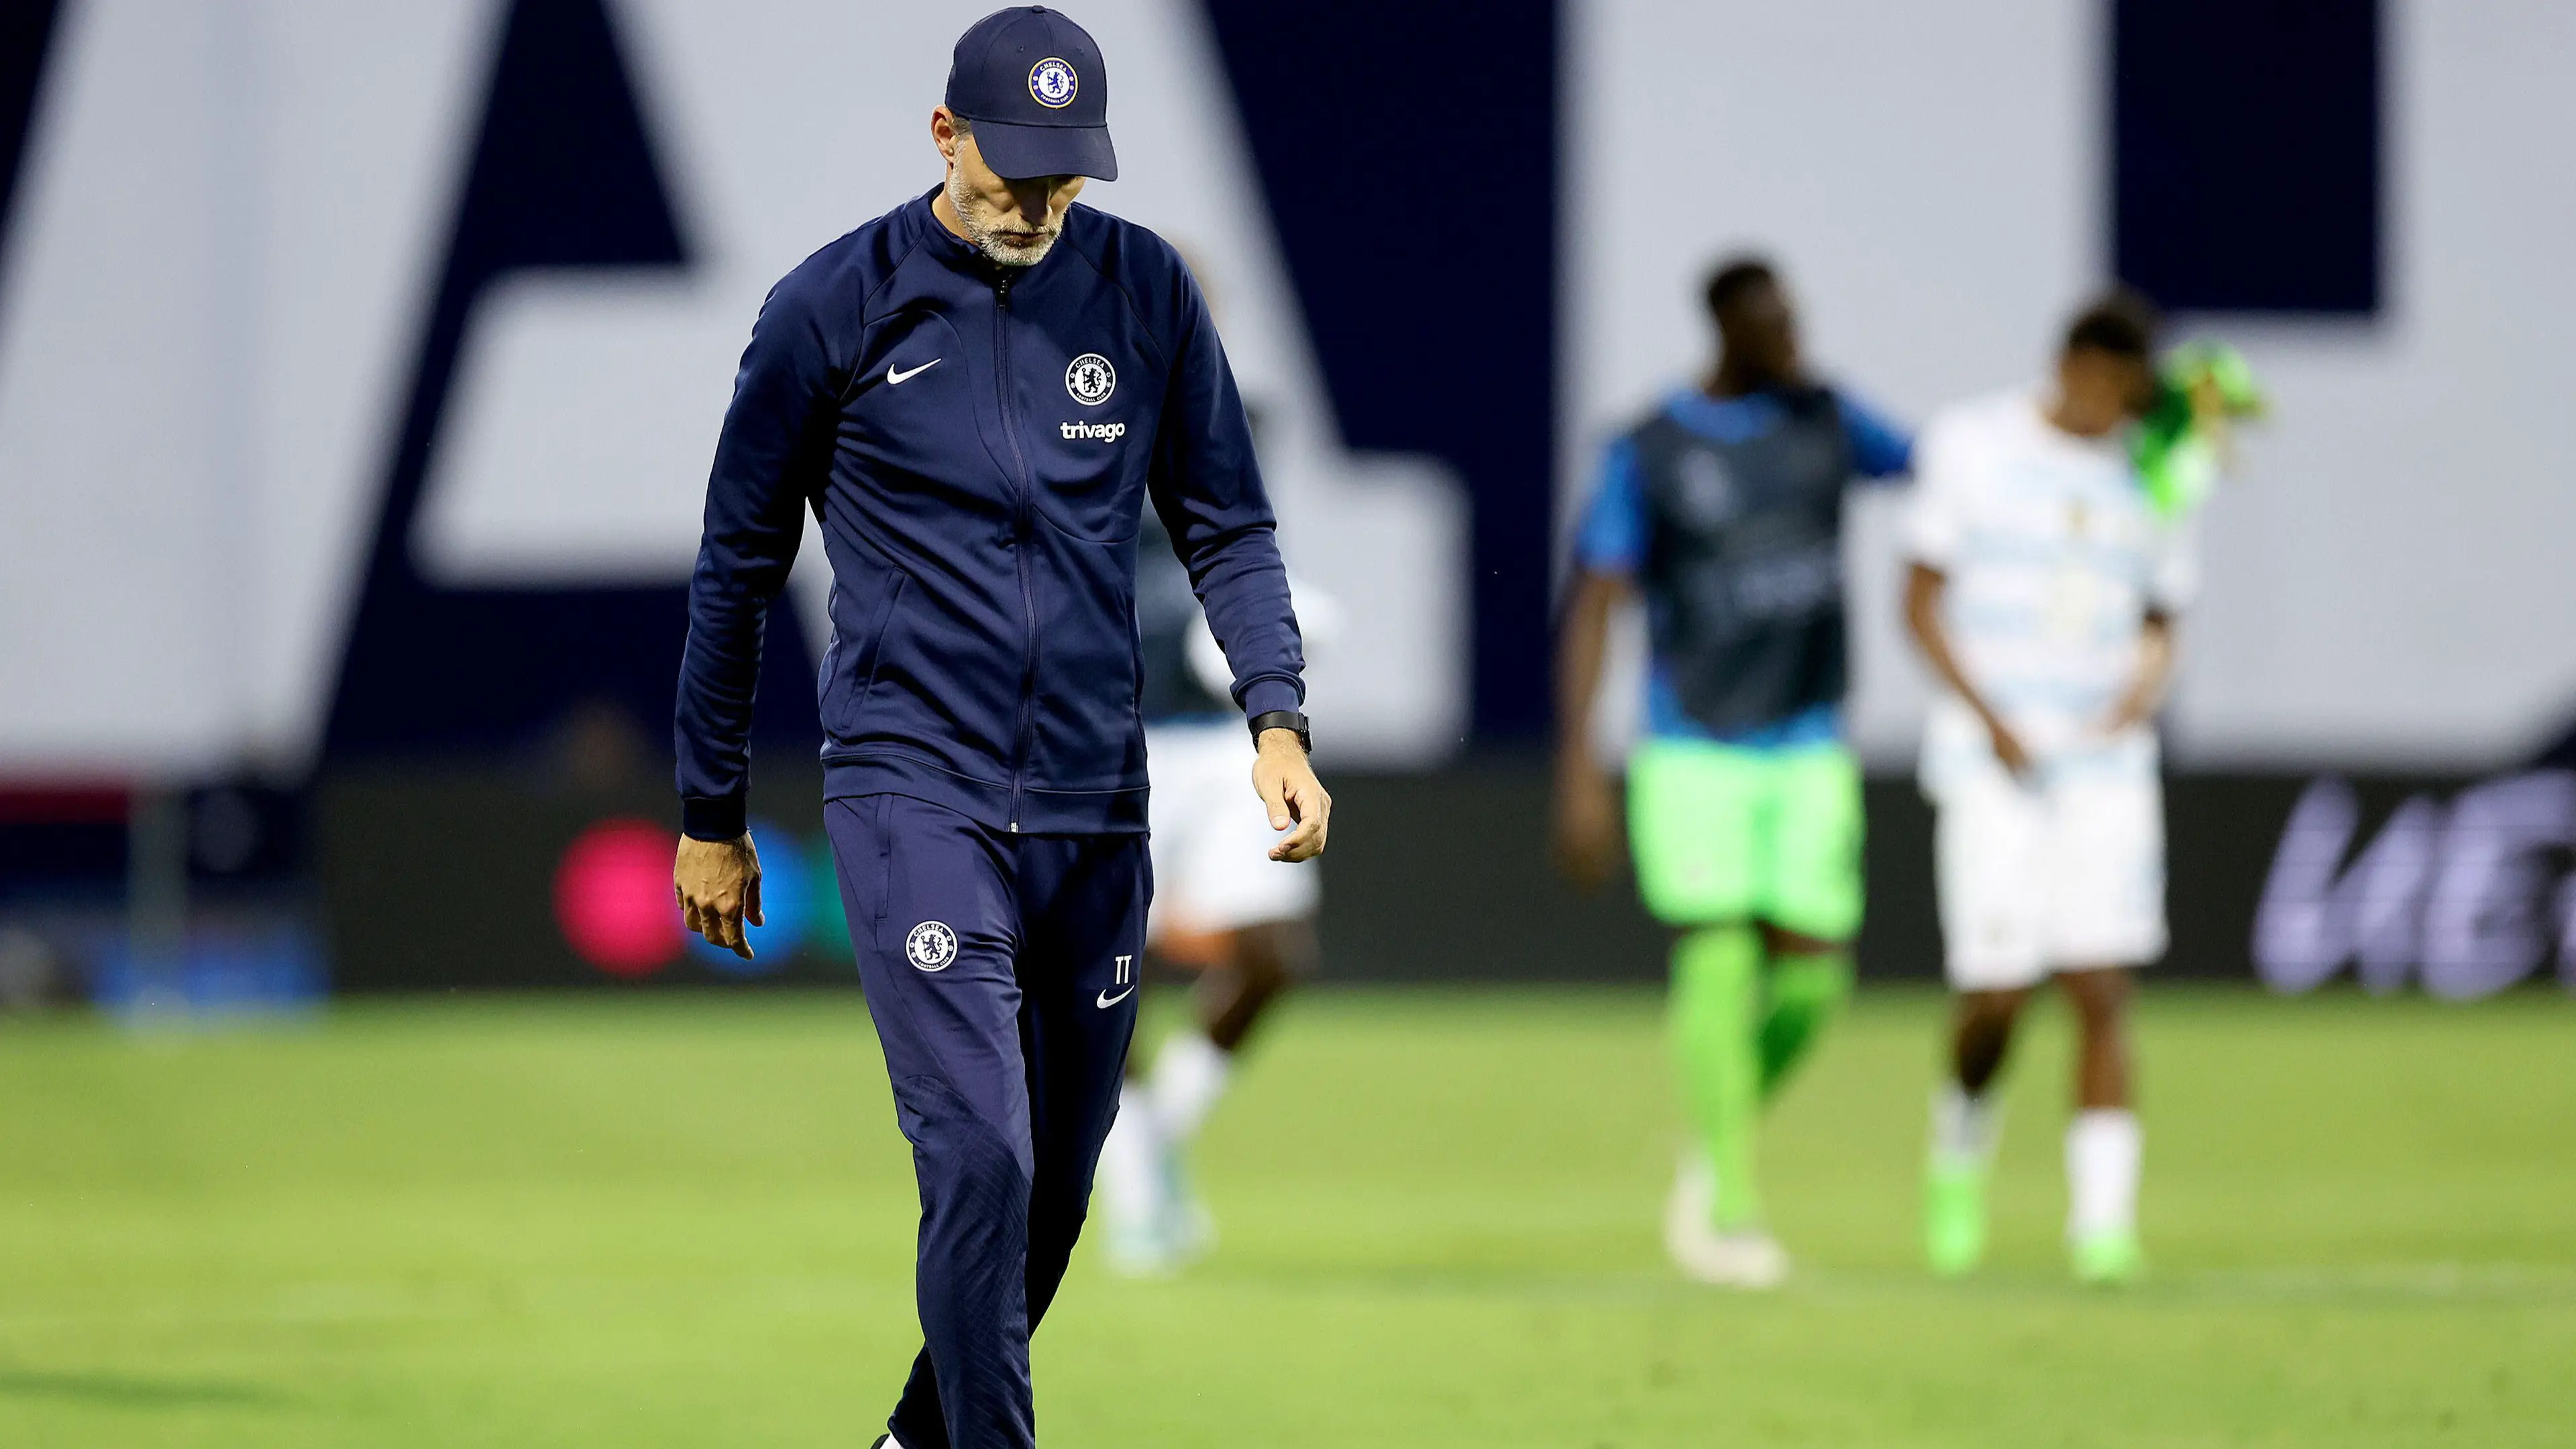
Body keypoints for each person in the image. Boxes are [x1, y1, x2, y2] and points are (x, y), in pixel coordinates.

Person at [667, 11, 1330, 1448]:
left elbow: (1227, 522)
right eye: (1013, 171)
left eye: (1066, 177)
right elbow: (734, 563)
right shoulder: (831, 305)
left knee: (1060, 1197)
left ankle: (917, 1435)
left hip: (1098, 800)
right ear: (943, 135)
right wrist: (708, 812)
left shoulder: (1145, 290)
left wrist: (1276, 714)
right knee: (978, 1157)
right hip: (917, 791)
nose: (1038, 205)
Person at [1554, 256, 1911, 1287]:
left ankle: (1711, 1143)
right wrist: (1581, 767)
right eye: (1777, 324)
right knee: (1715, 956)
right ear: (1726, 327)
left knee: (1812, 977)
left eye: (1799, 320)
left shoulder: (1830, 421)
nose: (1795, 340)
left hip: (1806, 737)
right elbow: (1596, 599)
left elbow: (1949, 468)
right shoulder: (1651, 448)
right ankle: (1733, 1206)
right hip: (1691, 739)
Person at [1902, 289, 2219, 1286]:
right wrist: (1991, 718)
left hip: (2104, 770)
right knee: (1997, 995)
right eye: (2111, 388)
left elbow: (2163, 614)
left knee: (2101, 986)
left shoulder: (2157, 472)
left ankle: (2103, 1228)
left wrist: (2143, 688)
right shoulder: (1973, 446)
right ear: (2073, 367)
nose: (2119, 409)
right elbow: (1919, 600)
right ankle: (1960, 1144)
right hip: (1993, 764)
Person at [1093, 503, 1328, 1275]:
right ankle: (1136, 1189)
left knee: (1275, 954)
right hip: (1112, 745)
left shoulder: (1215, 494)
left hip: (1227, 751)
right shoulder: (1076, 462)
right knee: (1110, 970)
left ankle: (1152, 1137)